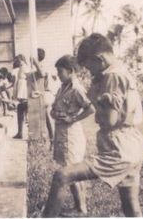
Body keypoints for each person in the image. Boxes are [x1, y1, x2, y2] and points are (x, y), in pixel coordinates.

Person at [42, 33, 143, 217]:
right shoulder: (121, 70)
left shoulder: (112, 76)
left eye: (89, 67)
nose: (89, 72)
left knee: (61, 176)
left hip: (119, 147)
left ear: (99, 59)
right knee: (131, 207)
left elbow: (110, 120)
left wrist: (101, 101)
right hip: (133, 143)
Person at [51, 55, 95, 216]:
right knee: (70, 170)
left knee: (71, 171)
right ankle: (80, 206)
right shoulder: (63, 86)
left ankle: (80, 209)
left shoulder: (76, 88)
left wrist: (73, 118)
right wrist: (54, 112)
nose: (58, 74)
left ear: (70, 71)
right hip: (62, 133)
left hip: (71, 135)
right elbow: (56, 106)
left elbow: (90, 109)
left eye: (60, 71)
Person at [12, 54, 29, 139]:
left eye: (18, 60)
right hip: (20, 84)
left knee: (23, 105)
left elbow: (29, 76)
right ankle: (20, 132)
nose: (17, 62)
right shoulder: (21, 67)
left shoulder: (25, 67)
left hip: (23, 86)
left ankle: (21, 132)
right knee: (21, 106)